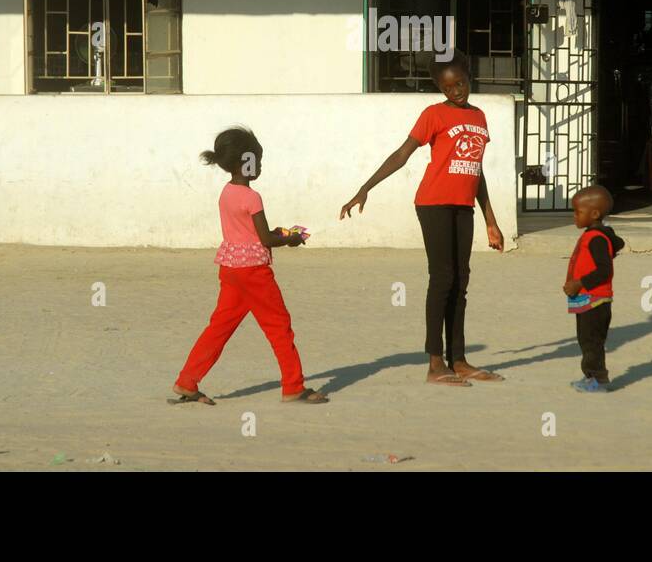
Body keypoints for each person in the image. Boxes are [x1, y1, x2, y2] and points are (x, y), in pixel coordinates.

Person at [340, 50, 505, 387]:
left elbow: (476, 171)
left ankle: (458, 360)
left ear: (468, 77)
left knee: (461, 282)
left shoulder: (479, 117)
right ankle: (435, 362)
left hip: (463, 206)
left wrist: (491, 220)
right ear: (440, 90)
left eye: (459, 83)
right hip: (433, 203)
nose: (455, 91)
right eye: (447, 88)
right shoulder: (433, 114)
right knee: (443, 278)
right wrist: (365, 187)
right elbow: (403, 153)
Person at [173, 126, 327, 405]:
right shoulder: (252, 197)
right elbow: (265, 238)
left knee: (219, 327)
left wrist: (279, 234)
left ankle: (187, 381)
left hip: (231, 270)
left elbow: (248, 231)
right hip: (255, 273)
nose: (260, 164)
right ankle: (293, 386)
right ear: (246, 161)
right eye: (258, 158)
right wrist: (290, 238)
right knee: (279, 327)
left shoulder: (227, 192)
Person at [564, 184, 625, 393]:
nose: (574, 216)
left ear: (595, 213)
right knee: (586, 339)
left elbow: (604, 270)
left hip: (595, 299)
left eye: (577, 212)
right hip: (588, 299)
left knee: (592, 342)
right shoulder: (596, 234)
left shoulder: (597, 238)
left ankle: (598, 379)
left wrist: (579, 283)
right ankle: (590, 376)